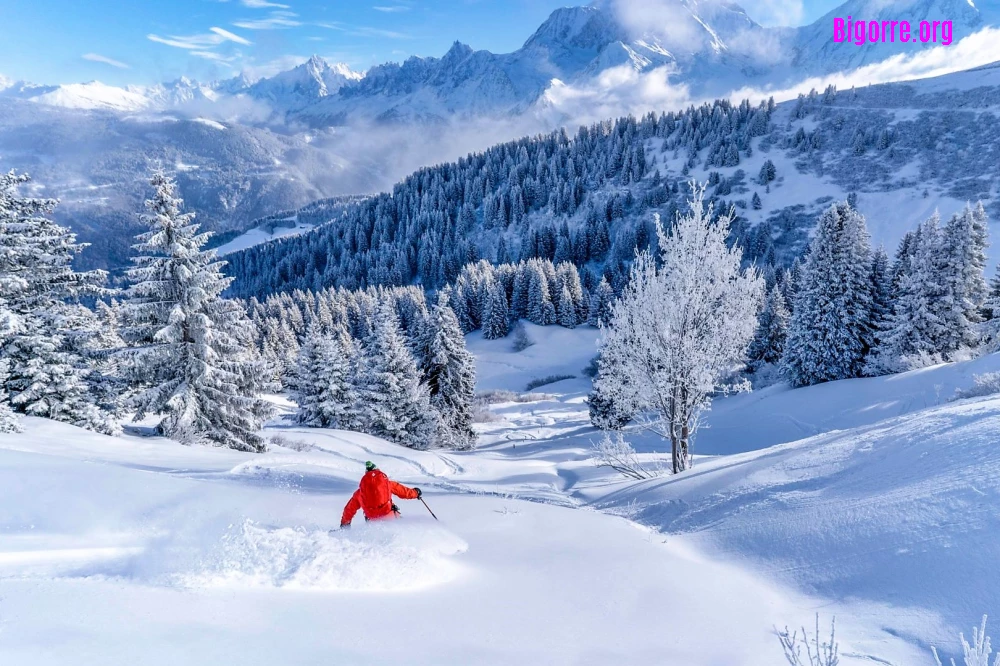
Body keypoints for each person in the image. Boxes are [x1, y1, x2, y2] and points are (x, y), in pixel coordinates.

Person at [340, 461, 422, 528]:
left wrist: (345, 524)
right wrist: (416, 493)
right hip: (389, 516)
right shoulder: (388, 484)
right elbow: (404, 493)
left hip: (372, 521)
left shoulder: (360, 492)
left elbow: (349, 509)